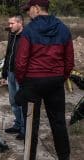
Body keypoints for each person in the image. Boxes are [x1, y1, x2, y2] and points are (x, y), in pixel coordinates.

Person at [15, 0, 74, 159]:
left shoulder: (29, 30)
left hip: (33, 82)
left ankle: (29, 157)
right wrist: (61, 77)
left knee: (30, 125)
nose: (28, 13)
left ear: (36, 8)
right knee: (58, 122)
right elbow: (69, 60)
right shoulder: (63, 28)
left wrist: (23, 83)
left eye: (29, 10)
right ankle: (64, 157)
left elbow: (21, 62)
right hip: (55, 81)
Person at [1, 14, 25, 140]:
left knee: (21, 101)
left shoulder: (26, 37)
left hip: (20, 74)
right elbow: (8, 54)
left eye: (12, 23)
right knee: (13, 101)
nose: (9, 26)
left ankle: (24, 130)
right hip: (10, 72)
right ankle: (18, 124)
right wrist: (4, 73)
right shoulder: (12, 35)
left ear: (20, 23)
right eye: (9, 23)